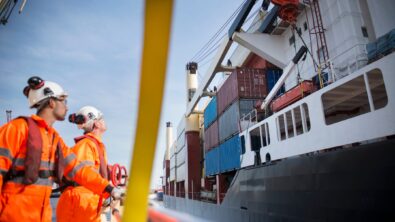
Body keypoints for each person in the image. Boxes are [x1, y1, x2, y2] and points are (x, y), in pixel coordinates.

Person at [0, 76, 124, 222]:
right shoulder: (17, 129)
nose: (66, 106)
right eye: (63, 101)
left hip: (40, 216)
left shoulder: (55, 140)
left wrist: (108, 189)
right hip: (13, 216)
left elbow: (80, 170)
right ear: (52, 103)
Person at [56, 106, 112, 222]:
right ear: (96, 124)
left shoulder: (95, 145)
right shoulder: (86, 145)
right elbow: (83, 176)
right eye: (101, 118)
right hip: (80, 204)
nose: (104, 121)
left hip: (88, 203)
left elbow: (94, 173)